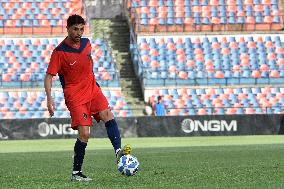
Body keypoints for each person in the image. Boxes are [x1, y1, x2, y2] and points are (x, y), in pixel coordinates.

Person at [44, 14, 131, 181]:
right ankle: (76, 173)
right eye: (75, 29)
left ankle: (118, 152)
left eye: (81, 29)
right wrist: (49, 99)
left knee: (108, 115)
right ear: (68, 29)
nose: (79, 32)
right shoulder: (59, 52)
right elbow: (49, 77)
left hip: (93, 90)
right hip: (75, 96)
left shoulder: (86, 43)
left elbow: (87, 63)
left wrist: (93, 83)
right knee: (84, 133)